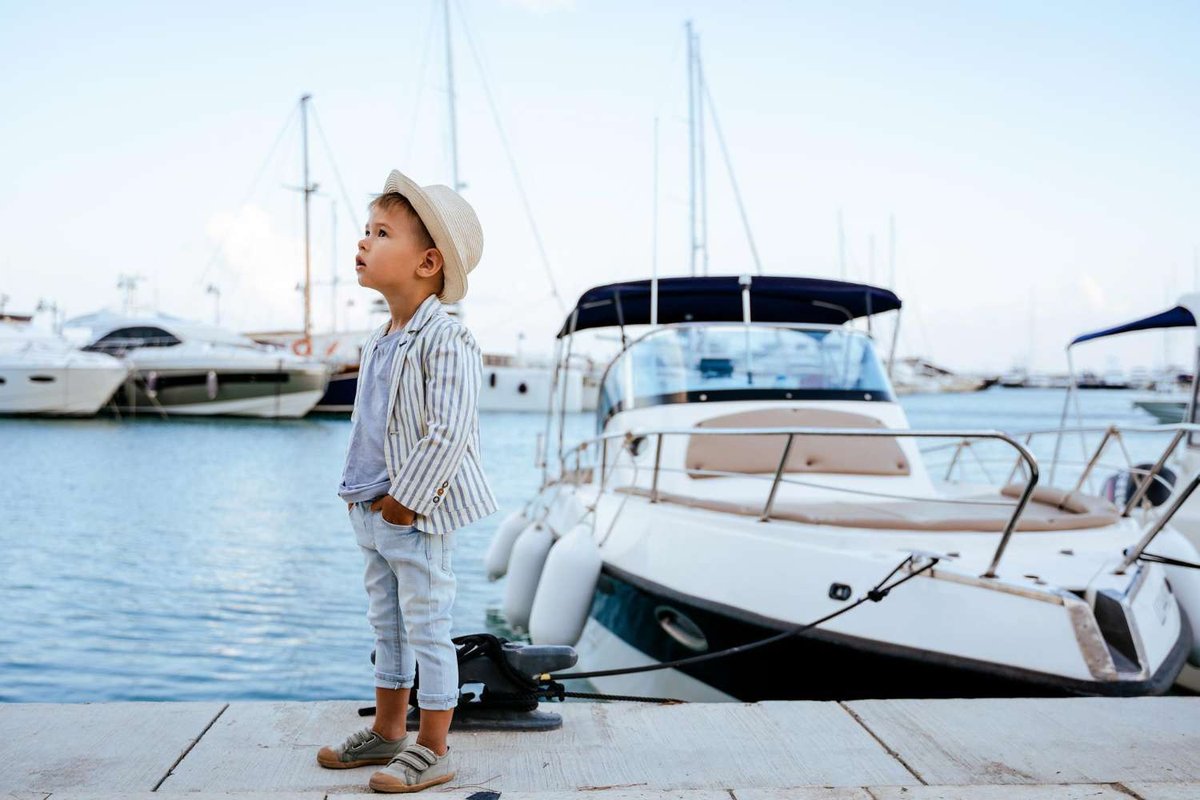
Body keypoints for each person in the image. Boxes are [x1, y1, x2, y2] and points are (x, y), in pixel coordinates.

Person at [317, 169, 497, 793]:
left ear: (427, 262)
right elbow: (370, 427)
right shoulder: (380, 340)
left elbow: (448, 434)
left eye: (381, 232)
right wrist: (365, 500)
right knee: (385, 623)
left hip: (414, 512)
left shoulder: (446, 339)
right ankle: (389, 731)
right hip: (370, 508)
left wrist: (403, 504)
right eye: (366, 230)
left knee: (427, 623)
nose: (363, 242)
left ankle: (435, 746)